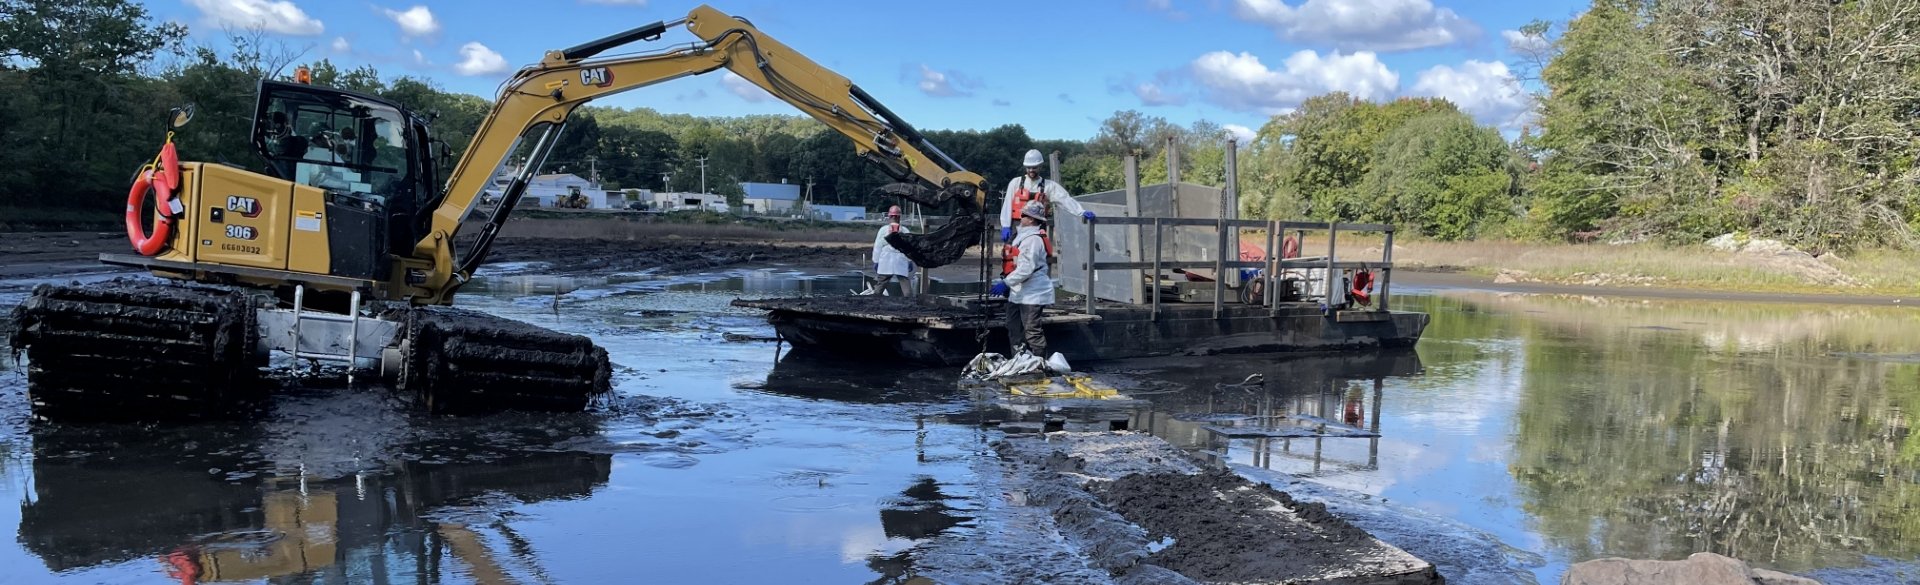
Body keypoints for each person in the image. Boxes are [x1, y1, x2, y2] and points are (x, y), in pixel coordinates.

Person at [990, 200, 1056, 357]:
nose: (1021, 217)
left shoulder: (1032, 240)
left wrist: (1005, 283)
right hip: (1019, 291)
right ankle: (1019, 360)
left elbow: (1026, 269)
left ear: (1031, 219)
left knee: (1032, 330)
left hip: (1032, 293)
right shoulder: (1023, 237)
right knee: (1014, 328)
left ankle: (1040, 364)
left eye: (1024, 215)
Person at [998, 148, 1093, 244]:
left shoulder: (1049, 186)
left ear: (1040, 166)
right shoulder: (1016, 183)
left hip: (1037, 227)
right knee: (1011, 255)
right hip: (1017, 226)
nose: (1031, 170)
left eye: (1034, 167)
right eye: (1028, 167)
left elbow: (1065, 199)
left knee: (1037, 255)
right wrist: (1005, 225)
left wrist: (1081, 211)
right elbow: (1007, 205)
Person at [864, 205, 914, 296]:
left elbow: (878, 246)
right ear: (899, 217)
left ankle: (875, 299)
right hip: (900, 259)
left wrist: (876, 261)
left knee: (882, 282)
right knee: (904, 281)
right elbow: (909, 248)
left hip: (886, 259)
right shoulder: (905, 231)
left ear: (889, 216)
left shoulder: (883, 230)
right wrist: (909, 260)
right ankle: (909, 301)